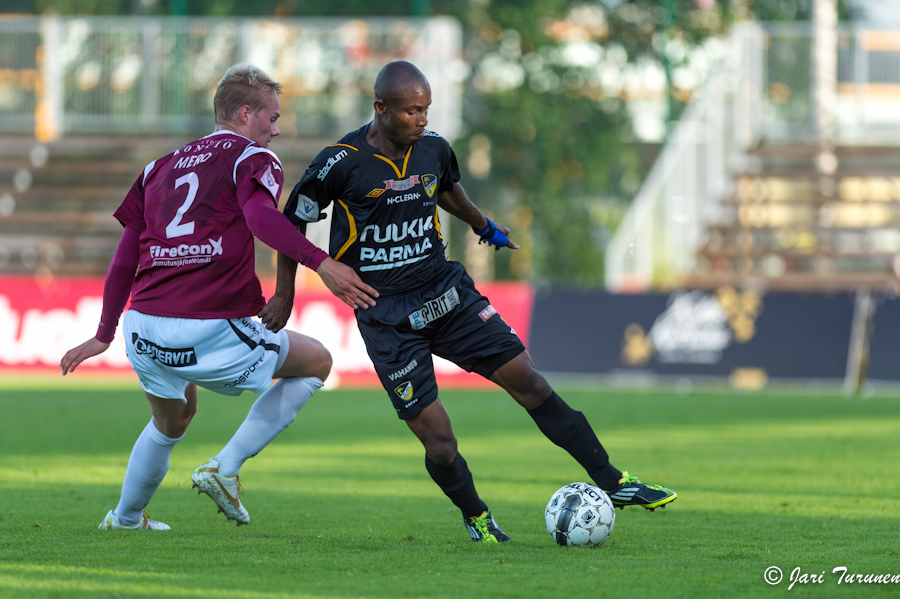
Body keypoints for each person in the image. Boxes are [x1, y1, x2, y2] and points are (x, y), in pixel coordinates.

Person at [267, 61, 676, 543]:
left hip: (445, 292)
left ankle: (614, 481)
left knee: (531, 383)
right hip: (386, 313)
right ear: (381, 109)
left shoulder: (434, 148)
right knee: (440, 443)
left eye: (426, 109)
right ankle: (477, 516)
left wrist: (484, 226)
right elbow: (290, 223)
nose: (421, 119)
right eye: (411, 111)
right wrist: (287, 290)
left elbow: (449, 192)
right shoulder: (339, 163)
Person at [60, 63, 378, 531]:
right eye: (272, 116)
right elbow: (261, 220)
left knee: (172, 421)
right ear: (245, 113)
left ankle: (125, 519)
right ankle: (223, 469)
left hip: (143, 325)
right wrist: (321, 262)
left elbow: (125, 257)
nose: (276, 127)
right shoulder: (252, 159)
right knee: (318, 363)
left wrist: (103, 335)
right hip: (206, 322)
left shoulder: (158, 167)